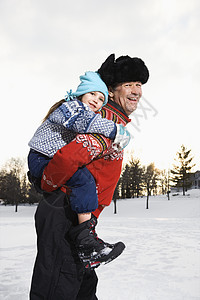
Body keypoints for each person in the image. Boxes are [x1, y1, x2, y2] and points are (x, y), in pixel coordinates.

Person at [29, 54, 149, 300]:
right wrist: (48, 184)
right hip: (64, 213)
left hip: (80, 220)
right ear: (112, 91)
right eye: (128, 85)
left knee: (83, 289)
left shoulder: (113, 121)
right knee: (58, 289)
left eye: (139, 85)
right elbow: (68, 157)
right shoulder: (105, 121)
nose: (136, 90)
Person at [28, 71, 129, 269]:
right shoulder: (72, 108)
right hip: (41, 158)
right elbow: (87, 123)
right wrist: (117, 130)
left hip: (48, 159)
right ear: (81, 93)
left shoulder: (82, 111)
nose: (96, 101)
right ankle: (86, 241)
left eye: (101, 99)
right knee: (84, 180)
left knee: (85, 179)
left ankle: (88, 241)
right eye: (92, 94)